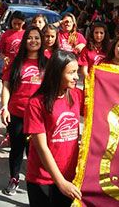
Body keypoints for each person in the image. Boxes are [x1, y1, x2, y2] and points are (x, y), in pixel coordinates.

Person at [24, 50, 83, 205]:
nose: (77, 77)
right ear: (57, 73)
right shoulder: (36, 103)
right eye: (72, 73)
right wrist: (61, 182)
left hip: (71, 176)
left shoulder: (76, 95)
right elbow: (42, 148)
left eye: (77, 72)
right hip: (42, 179)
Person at [1, 26, 47, 196]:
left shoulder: (47, 62)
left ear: (41, 41)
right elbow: (6, 85)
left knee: (36, 150)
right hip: (17, 113)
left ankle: (34, 181)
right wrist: (4, 107)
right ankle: (14, 178)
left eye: (37, 38)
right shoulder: (15, 62)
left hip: (39, 116)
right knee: (17, 149)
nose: (33, 41)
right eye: (30, 38)